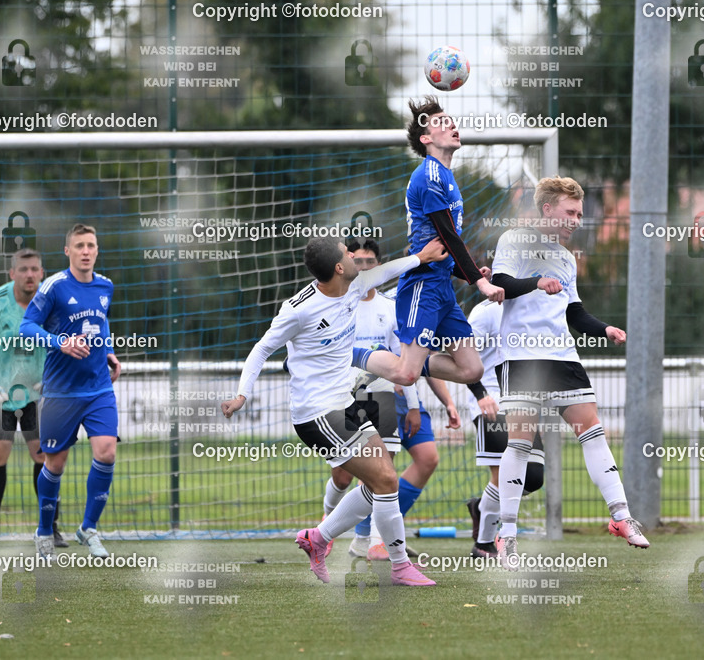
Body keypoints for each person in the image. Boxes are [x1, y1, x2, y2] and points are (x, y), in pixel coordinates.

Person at [221, 237, 447, 586]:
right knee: (386, 480)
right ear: (339, 267)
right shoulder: (299, 309)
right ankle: (399, 566)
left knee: (380, 481)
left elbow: (388, 270)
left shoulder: (355, 285)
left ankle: (319, 538)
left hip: (344, 403)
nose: (357, 257)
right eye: (348, 253)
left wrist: (422, 256)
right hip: (316, 413)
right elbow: (261, 349)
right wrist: (241, 394)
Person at [491, 176, 650, 570]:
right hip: (522, 355)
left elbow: (573, 312)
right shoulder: (514, 239)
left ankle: (621, 515)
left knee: (592, 431)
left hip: (562, 356)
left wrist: (604, 329)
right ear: (547, 209)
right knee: (521, 444)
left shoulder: (566, 257)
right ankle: (506, 535)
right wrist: (535, 282)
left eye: (579, 213)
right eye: (570, 212)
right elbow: (500, 284)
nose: (577, 219)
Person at [353, 97, 505, 390]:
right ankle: (350, 355)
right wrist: (480, 283)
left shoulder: (446, 175)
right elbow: (447, 234)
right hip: (422, 286)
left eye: (451, 120)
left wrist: (466, 272)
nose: (452, 124)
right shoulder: (429, 173)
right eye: (441, 122)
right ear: (426, 138)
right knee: (405, 376)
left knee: (472, 369)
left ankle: (400, 359)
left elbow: (444, 244)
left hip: (442, 287)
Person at [329, 239, 460, 560]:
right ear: (345, 266)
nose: (362, 267)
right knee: (346, 474)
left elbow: (407, 362)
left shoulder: (392, 305)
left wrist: (417, 405)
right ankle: (332, 524)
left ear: (378, 264)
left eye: (369, 261)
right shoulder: (338, 304)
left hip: (391, 397)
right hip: (349, 399)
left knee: (399, 465)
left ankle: (380, 537)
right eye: (356, 261)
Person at [20, 224, 122, 559]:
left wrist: (107, 351)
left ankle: (88, 528)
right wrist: (59, 342)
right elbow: (27, 327)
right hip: (61, 392)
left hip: (98, 388)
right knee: (56, 463)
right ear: (68, 251)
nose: (86, 251)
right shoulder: (54, 287)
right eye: (79, 245)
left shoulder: (105, 285)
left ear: (96, 250)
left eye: (91, 245)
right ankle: (44, 530)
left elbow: (101, 322)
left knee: (106, 452)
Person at [0, 248, 67, 548]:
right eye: (23, 269)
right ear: (12, 273)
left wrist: (54, 379)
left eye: (34, 269)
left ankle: (51, 527)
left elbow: (67, 343)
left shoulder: (53, 304)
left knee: (44, 456)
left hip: (40, 394)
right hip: (1, 394)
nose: (29, 274)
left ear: (42, 273)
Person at [463, 298, 545, 559]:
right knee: (504, 474)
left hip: (522, 403)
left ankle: (481, 507)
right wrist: (480, 394)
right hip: (491, 404)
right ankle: (484, 544)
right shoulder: (485, 312)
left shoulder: (532, 308)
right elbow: (462, 355)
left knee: (533, 477)